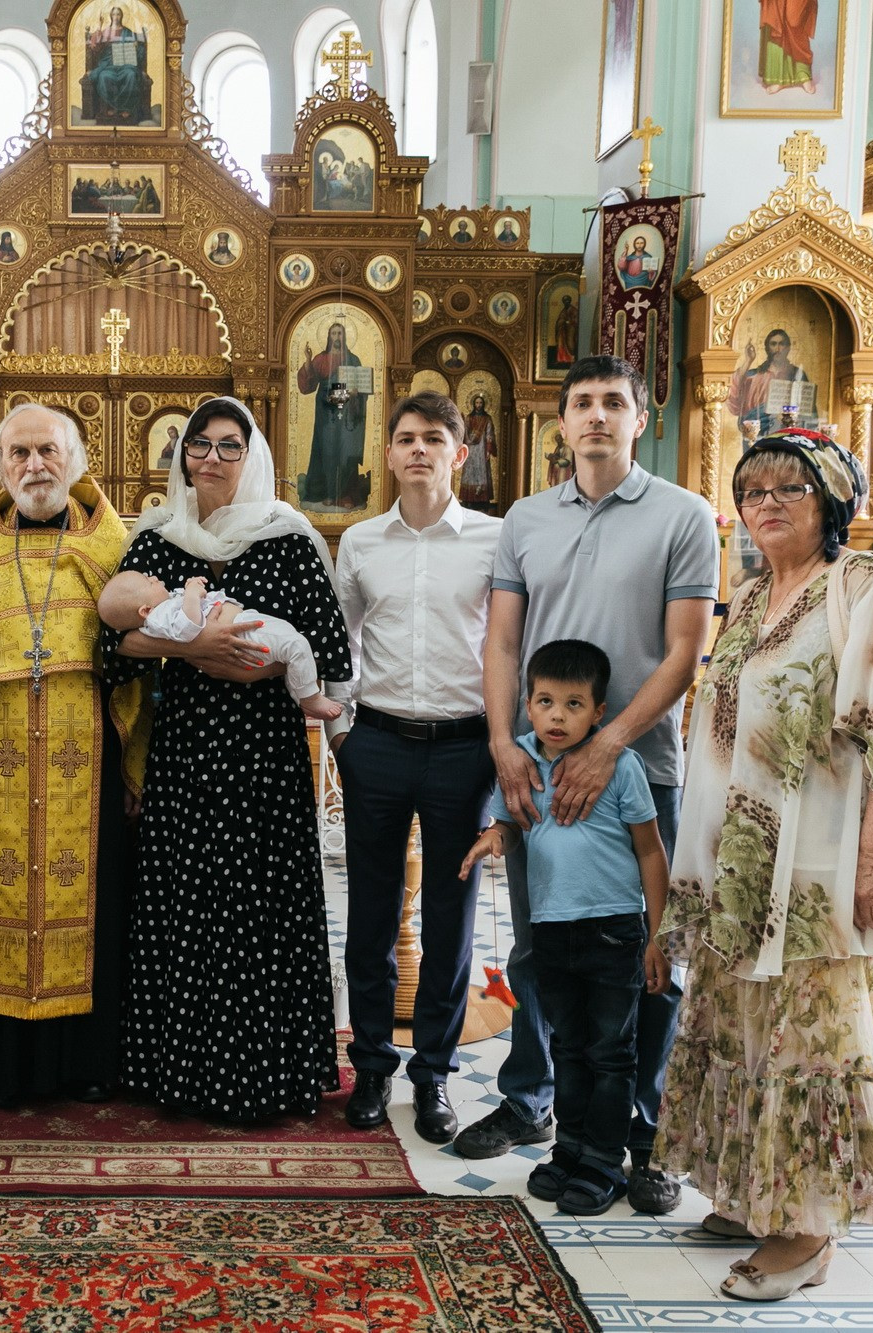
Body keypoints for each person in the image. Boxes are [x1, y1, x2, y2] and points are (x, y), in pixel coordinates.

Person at [656, 425, 873, 1300]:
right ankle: (755, 1191)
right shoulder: (745, 597)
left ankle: (808, 1227)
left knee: (809, 1041)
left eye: (789, 488)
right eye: (752, 491)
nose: (767, 504)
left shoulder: (862, 586)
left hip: (814, 868)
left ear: (831, 503)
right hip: (736, 866)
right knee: (744, 1029)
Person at [454, 355, 715, 1217]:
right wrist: (503, 742)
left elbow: (682, 653)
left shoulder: (682, 516)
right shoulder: (525, 518)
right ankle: (534, 1102)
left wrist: (608, 745)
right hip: (538, 768)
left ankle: (643, 1133)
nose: (596, 416)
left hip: (641, 769)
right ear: (559, 423)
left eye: (614, 402)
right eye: (581, 404)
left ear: (642, 417)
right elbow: (501, 644)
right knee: (544, 948)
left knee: (645, 960)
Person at [100, 396, 350, 1120]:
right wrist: (193, 646)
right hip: (183, 753)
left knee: (257, 910)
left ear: (254, 455)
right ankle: (175, 1072)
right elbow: (112, 645)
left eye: (228, 445)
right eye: (197, 445)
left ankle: (263, 1077)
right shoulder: (156, 538)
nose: (209, 457)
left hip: (263, 758)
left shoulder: (288, 538)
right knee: (185, 908)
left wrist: (267, 666)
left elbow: (327, 650)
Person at [0, 405, 148, 1106]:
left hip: (90, 764)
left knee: (95, 906)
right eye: (18, 453)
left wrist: (137, 765)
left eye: (48, 450)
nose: (34, 465)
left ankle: (83, 1065)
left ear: (76, 461)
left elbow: (140, 669)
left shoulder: (113, 545)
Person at [326, 391, 500, 1144]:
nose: (419, 450)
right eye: (406, 438)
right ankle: (370, 1065)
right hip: (380, 743)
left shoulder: (497, 539)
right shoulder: (361, 542)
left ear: (459, 453)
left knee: (450, 920)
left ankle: (432, 1076)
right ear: (388, 453)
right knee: (369, 912)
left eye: (435, 438)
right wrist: (343, 735)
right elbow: (342, 641)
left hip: (465, 745)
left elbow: (509, 643)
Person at [459, 640, 671, 1215]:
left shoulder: (621, 767)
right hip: (552, 931)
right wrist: (490, 838)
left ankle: (604, 1161)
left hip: (613, 932)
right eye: (546, 701)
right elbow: (511, 823)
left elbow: (651, 852)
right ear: (527, 704)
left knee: (611, 1053)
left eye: (574, 704)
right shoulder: (524, 758)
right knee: (570, 1048)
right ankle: (570, 1150)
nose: (557, 715)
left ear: (599, 713)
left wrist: (658, 935)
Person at [101, 571, 341, 721]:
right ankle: (310, 696)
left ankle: (297, 687)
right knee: (297, 645)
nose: (153, 577)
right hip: (245, 635)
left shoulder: (158, 611)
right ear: (145, 610)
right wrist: (192, 593)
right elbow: (189, 627)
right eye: (147, 581)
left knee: (292, 642)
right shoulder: (158, 616)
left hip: (247, 627)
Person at [298, 323, 370, 509]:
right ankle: (328, 493)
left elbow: (362, 386)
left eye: (339, 333)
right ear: (329, 337)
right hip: (325, 410)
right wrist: (307, 359)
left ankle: (346, 495)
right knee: (328, 449)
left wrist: (356, 393)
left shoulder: (353, 359)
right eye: (333, 333)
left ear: (344, 336)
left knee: (346, 449)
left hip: (348, 412)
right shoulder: (321, 359)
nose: (336, 337)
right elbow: (308, 386)